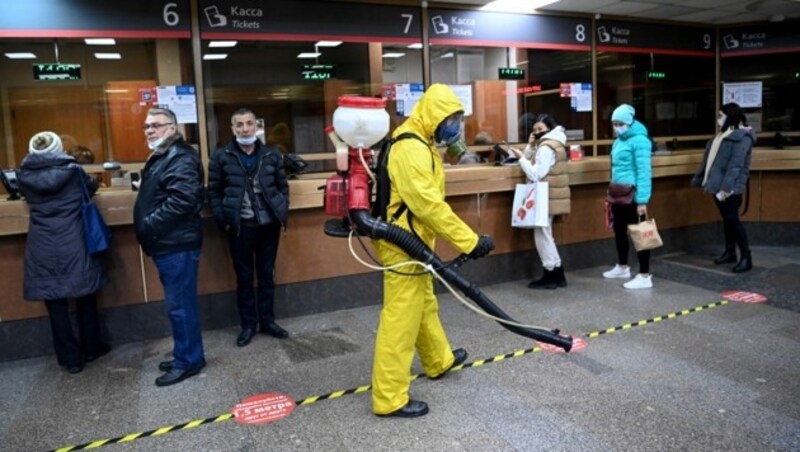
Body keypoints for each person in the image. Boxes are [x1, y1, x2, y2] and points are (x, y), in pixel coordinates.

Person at [372, 83, 495, 418]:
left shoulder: (420, 140)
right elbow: (427, 205)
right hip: (402, 243)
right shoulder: (410, 148)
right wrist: (469, 240)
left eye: (458, 118)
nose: (455, 126)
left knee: (423, 304)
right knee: (400, 319)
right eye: (452, 118)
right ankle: (389, 398)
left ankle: (438, 360)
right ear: (435, 115)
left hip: (413, 241)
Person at [18, 131, 110, 374]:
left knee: (55, 301)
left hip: (42, 245)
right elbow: (91, 188)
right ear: (58, 148)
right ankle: (92, 348)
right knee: (85, 294)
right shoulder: (73, 171)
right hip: (74, 241)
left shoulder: (23, 175)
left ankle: (70, 359)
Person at [133, 108, 206, 386]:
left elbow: (183, 201)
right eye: (146, 126)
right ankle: (185, 354)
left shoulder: (181, 157)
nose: (150, 130)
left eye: (156, 125)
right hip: (169, 244)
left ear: (173, 128)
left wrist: (149, 224)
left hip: (177, 245)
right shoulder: (165, 155)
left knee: (180, 307)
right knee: (178, 305)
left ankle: (188, 361)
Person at [208, 108, 290, 347]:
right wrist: (224, 219)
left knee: (267, 276)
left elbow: (282, 187)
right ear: (232, 128)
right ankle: (248, 325)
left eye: (249, 123)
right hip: (240, 227)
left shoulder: (271, 154)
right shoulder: (222, 156)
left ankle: (267, 321)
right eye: (239, 125)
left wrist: (281, 210)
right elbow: (213, 192)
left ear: (257, 126)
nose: (245, 129)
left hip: (268, 226)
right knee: (244, 278)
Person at [508, 114, 570, 289]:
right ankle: (558, 274)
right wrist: (530, 146)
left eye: (540, 130)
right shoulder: (553, 142)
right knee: (546, 235)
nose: (537, 132)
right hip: (550, 194)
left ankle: (551, 274)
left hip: (545, 195)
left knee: (543, 236)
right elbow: (533, 161)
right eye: (534, 130)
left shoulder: (546, 147)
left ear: (549, 128)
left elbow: (535, 173)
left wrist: (521, 157)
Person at [691, 102, 755, 273]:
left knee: (732, 219)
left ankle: (746, 256)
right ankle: (730, 251)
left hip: (730, 187)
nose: (719, 119)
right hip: (717, 184)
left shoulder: (742, 137)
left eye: (721, 115)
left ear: (730, 116)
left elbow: (736, 165)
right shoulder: (722, 136)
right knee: (727, 219)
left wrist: (726, 188)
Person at [602, 104, 654, 289]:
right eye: (614, 123)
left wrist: (642, 200)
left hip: (633, 195)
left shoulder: (640, 141)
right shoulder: (618, 141)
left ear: (629, 122)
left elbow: (644, 172)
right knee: (619, 231)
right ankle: (623, 266)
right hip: (617, 193)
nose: (617, 127)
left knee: (640, 234)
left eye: (620, 123)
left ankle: (645, 275)